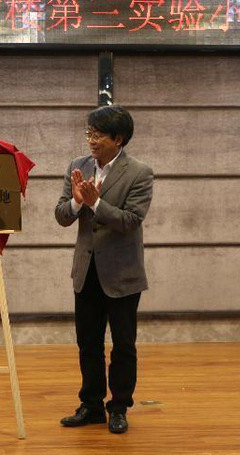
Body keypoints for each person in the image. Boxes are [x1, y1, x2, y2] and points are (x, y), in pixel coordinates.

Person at [54, 105, 154, 434]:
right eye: (89, 133)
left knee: (123, 345)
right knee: (88, 343)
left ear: (118, 139)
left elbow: (131, 220)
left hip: (123, 273)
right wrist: (77, 202)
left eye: (98, 135)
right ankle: (92, 406)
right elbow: (61, 215)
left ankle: (119, 407)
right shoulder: (78, 166)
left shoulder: (139, 172)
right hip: (87, 270)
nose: (91, 140)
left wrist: (95, 203)